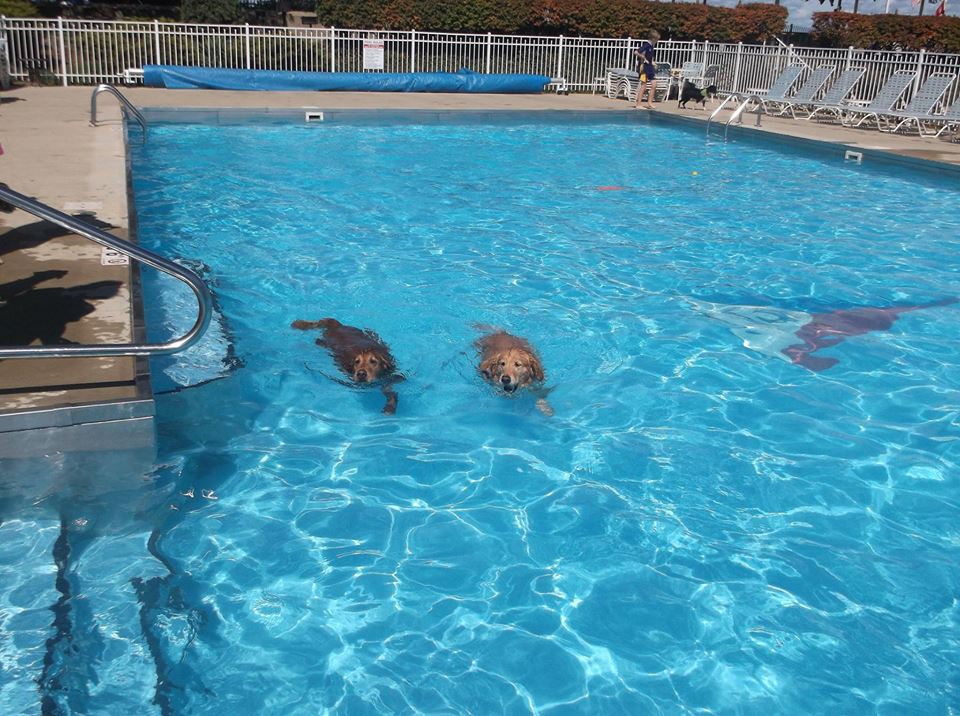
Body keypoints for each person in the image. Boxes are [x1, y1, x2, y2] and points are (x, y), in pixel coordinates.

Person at [633, 30, 661, 109]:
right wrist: (643, 57)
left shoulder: (651, 46)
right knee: (643, 86)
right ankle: (638, 104)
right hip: (643, 68)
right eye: (656, 39)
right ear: (652, 38)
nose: (657, 41)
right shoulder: (646, 45)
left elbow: (650, 58)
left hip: (649, 67)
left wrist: (653, 63)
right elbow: (636, 52)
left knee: (654, 84)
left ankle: (649, 102)